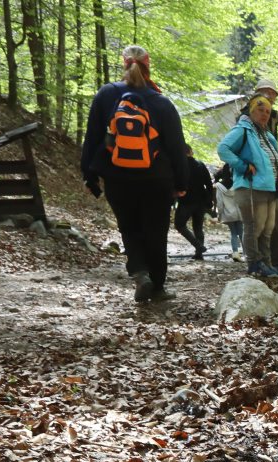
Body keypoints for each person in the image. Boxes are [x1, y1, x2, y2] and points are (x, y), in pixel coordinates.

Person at [81, 44, 188, 303]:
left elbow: (93, 137)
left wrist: (89, 173)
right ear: (147, 66)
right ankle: (159, 287)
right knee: (156, 231)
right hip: (156, 178)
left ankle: (141, 275)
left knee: (129, 228)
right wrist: (182, 182)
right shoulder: (161, 102)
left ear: (124, 65)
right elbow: (176, 146)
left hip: (118, 177)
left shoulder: (107, 94)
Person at [217, 95, 278, 278]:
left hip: (268, 187)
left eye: (268, 112)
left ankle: (266, 263)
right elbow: (223, 148)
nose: (264, 115)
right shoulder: (243, 129)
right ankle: (254, 263)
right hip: (250, 186)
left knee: (268, 228)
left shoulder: (265, 134)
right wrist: (242, 165)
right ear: (251, 110)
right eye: (260, 110)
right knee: (255, 227)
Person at [239, 79, 278, 274]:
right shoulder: (247, 117)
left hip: (274, 177)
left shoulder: (273, 117)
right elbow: (234, 147)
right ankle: (264, 263)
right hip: (258, 181)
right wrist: (244, 165)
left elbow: (272, 146)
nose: (271, 96)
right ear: (257, 94)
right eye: (266, 92)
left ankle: (271, 260)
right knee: (270, 223)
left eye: (273, 94)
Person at [174, 145, 214, 259]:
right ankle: (199, 254)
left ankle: (198, 246)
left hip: (186, 201)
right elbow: (209, 184)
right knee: (198, 227)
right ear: (191, 152)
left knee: (179, 224)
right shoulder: (200, 165)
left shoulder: (180, 166)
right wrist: (209, 199)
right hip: (200, 200)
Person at [213, 163, 244, 262]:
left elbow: (220, 203)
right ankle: (247, 253)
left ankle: (235, 252)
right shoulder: (237, 183)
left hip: (227, 214)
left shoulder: (219, 186)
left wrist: (220, 214)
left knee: (233, 233)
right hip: (239, 213)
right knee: (241, 232)